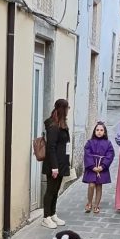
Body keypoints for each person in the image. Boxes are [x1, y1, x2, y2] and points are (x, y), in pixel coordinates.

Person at [42, 98, 70, 229]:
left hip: (61, 163)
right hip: (54, 165)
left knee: (56, 190)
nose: (68, 111)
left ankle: (53, 214)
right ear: (63, 109)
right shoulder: (53, 126)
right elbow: (51, 147)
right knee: (50, 190)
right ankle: (46, 217)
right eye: (67, 108)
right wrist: (54, 167)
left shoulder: (61, 123)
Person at [82, 121, 115, 214]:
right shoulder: (90, 142)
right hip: (92, 167)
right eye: (97, 130)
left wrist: (103, 166)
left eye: (101, 130)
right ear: (94, 131)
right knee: (91, 185)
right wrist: (92, 166)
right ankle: (89, 202)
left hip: (102, 167)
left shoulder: (108, 143)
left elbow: (110, 155)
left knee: (99, 186)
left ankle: (96, 205)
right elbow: (87, 154)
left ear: (104, 132)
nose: (99, 132)